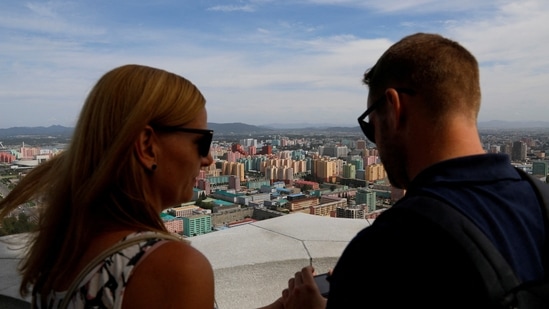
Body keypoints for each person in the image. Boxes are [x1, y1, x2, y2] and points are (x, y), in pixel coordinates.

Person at [279, 33, 546, 308]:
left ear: (394, 108)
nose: (376, 143)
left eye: (371, 127)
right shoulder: (541, 199)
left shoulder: (388, 249)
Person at [0, 64, 217, 308]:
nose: (208, 159)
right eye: (202, 141)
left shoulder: (64, 248)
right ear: (147, 146)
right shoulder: (171, 268)